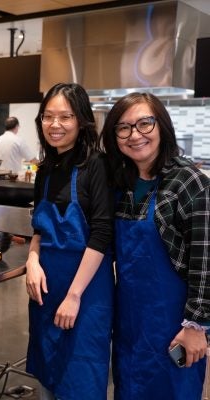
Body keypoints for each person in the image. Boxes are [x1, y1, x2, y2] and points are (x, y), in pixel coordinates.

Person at [100, 92, 209, 399]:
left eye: (144, 124)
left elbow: (206, 259)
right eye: (123, 128)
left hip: (174, 324)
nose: (135, 135)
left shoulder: (189, 182)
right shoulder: (121, 184)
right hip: (130, 324)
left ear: (162, 126)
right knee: (129, 388)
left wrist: (197, 326)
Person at [25, 83, 114, 399]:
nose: (54, 125)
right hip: (46, 290)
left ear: (81, 121)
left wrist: (74, 296)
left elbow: (102, 234)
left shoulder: (96, 165)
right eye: (48, 117)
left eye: (65, 117)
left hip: (86, 292)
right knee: (48, 372)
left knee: (82, 377)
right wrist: (32, 261)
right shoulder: (45, 169)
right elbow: (39, 229)